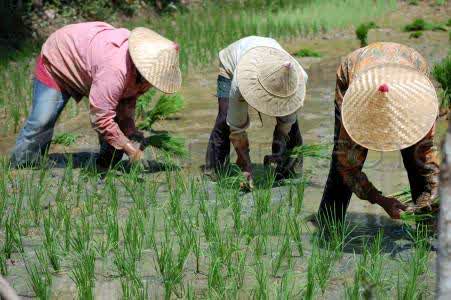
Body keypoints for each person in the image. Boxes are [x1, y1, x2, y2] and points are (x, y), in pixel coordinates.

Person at [10, 22, 181, 168]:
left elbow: (127, 101)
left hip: (90, 67)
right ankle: (23, 163)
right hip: (59, 60)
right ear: (142, 67)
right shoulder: (115, 69)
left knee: (117, 134)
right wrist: (130, 150)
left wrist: (130, 130)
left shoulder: (145, 76)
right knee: (43, 119)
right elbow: (101, 118)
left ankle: (104, 165)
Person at [318, 42, 439, 221]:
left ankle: (426, 225)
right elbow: (348, 169)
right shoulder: (356, 112)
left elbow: (427, 155)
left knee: (418, 161)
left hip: (410, 64)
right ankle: (329, 223)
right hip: (355, 73)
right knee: (343, 161)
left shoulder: (421, 108)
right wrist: (381, 200)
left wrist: (436, 189)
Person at [205, 36, 308, 186]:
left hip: (270, 57)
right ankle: (215, 171)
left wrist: (279, 153)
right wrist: (244, 162)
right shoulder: (239, 83)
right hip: (232, 62)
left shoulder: (299, 79)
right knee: (224, 118)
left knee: (291, 126)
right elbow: (236, 127)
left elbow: (286, 123)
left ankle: (290, 170)